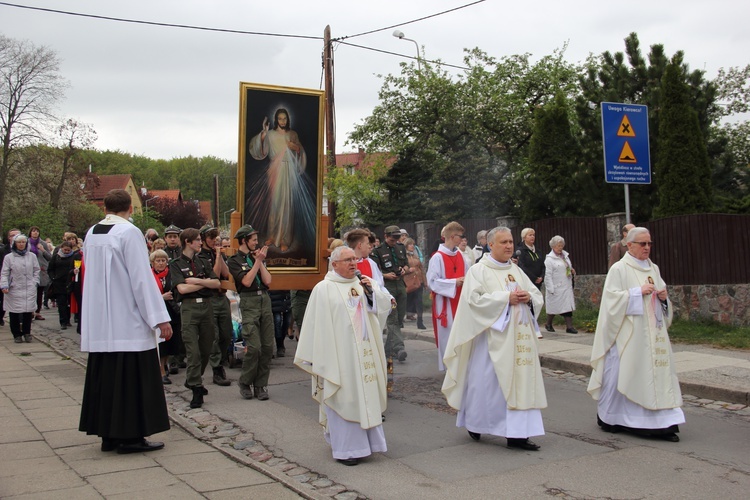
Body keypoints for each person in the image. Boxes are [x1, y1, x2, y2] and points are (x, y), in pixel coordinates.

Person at [79, 188, 173, 454]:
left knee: (107, 378)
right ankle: (131, 436)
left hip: (102, 321)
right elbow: (141, 279)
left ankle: (108, 435)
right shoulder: (129, 232)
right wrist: (159, 318)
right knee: (131, 380)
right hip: (127, 321)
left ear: (104, 208)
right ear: (130, 207)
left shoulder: (92, 232)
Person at [441, 226, 546, 451]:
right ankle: (476, 423)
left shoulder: (516, 271)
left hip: (519, 340)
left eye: (510, 241)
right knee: (488, 388)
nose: (509, 246)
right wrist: (505, 298)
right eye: (503, 242)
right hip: (491, 341)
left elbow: (535, 295)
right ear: (491, 245)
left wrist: (529, 298)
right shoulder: (479, 271)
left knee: (521, 384)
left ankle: (518, 434)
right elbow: (473, 302)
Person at [294, 246, 392, 466]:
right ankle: (347, 450)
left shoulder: (364, 282)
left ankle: (369, 445)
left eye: (354, 259)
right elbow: (315, 326)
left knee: (365, 396)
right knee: (344, 397)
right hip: (339, 356)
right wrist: (319, 357)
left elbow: (384, 307)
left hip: (364, 352)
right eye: (347, 260)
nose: (353, 263)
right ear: (334, 264)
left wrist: (372, 294)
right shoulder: (323, 289)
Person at [588, 227, 684, 441]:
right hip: (630, 334)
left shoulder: (654, 268)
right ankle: (615, 417)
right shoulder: (620, 269)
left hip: (654, 332)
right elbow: (611, 301)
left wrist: (663, 298)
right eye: (642, 244)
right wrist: (635, 293)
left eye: (649, 243)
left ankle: (663, 422)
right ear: (629, 245)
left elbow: (662, 301)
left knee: (657, 375)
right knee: (628, 373)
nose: (647, 248)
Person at [248, 108, 315, 252]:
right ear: (276, 120)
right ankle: (273, 235)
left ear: (287, 120)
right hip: (275, 170)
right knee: (275, 204)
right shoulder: (271, 135)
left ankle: (285, 239)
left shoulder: (292, 134)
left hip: (288, 170)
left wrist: (295, 147)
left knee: (287, 205)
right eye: (280, 119)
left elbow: (300, 152)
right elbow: (261, 151)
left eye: (285, 119)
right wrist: (264, 133)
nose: (282, 121)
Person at [170, 228, 222, 408]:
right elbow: (182, 289)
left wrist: (197, 281)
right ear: (187, 242)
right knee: (193, 352)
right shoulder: (176, 264)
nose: (201, 242)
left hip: (206, 307)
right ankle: (196, 388)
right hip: (189, 308)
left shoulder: (202, 261)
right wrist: (204, 283)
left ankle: (193, 379)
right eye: (198, 240)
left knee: (207, 347)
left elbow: (216, 283)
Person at [227, 224, 274, 401]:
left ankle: (261, 385)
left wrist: (259, 261)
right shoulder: (234, 260)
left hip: (264, 299)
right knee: (254, 347)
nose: (256, 242)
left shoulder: (257, 258)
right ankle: (245, 382)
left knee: (268, 347)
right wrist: (258, 262)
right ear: (244, 241)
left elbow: (268, 280)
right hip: (249, 301)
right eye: (253, 240)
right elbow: (246, 281)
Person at [427, 222, 469, 372]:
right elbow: (432, 282)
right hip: (444, 303)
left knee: (461, 333)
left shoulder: (461, 256)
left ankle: (461, 366)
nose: (462, 240)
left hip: (460, 300)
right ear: (452, 236)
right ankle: (449, 367)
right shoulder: (437, 258)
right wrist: (454, 282)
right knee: (448, 335)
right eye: (460, 237)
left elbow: (468, 275)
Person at [198, 224, 233, 387]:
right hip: (210, 298)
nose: (213, 241)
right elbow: (214, 275)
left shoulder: (217, 253)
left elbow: (225, 273)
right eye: (211, 238)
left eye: (215, 238)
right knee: (215, 336)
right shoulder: (200, 256)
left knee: (227, 334)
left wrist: (220, 256)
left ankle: (220, 359)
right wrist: (218, 256)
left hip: (222, 297)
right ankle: (217, 369)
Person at [371, 225, 410, 362]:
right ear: (386, 236)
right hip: (387, 288)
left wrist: (404, 269)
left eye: (396, 238)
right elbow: (375, 272)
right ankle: (399, 348)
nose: (395, 241)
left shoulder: (400, 247)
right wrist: (386, 275)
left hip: (400, 285)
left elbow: (406, 264)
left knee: (399, 318)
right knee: (392, 319)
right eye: (392, 239)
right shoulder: (377, 251)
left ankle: (387, 350)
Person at [150, 249, 182, 385]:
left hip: (172, 311)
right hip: (157, 312)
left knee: (170, 342)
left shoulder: (170, 274)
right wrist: (160, 297)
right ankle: (161, 370)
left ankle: (165, 365)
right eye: (158, 261)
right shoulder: (149, 276)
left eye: (163, 260)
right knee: (161, 343)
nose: (161, 263)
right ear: (152, 263)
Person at [1, 234, 40, 343]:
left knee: (28, 311)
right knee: (14, 312)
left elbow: (36, 270)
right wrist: (4, 285)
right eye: (19, 242)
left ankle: (27, 333)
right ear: (15, 244)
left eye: (23, 242)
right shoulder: (9, 257)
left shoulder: (32, 256)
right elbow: (4, 273)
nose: (21, 244)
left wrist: (35, 282)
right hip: (14, 288)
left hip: (29, 287)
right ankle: (16, 334)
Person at [544, 235, 577, 334]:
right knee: (554, 307)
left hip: (566, 286)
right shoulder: (549, 260)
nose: (560, 247)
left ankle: (569, 327)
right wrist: (550, 288)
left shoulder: (565, 256)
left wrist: (571, 270)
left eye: (562, 245)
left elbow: (566, 267)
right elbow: (547, 275)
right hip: (556, 286)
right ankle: (548, 324)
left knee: (567, 306)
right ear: (553, 246)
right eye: (558, 246)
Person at [47, 240, 77, 330]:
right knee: (61, 303)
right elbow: (50, 268)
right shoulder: (56, 257)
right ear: (61, 249)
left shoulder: (73, 257)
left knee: (68, 303)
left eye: (68, 250)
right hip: (58, 283)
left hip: (69, 282)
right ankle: (63, 321)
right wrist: (53, 277)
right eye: (65, 250)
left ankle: (67, 320)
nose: (66, 252)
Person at [28, 226, 52, 321]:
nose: (35, 233)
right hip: (30, 271)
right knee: (31, 293)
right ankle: (30, 312)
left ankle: (37, 312)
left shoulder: (43, 243)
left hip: (41, 271)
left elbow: (49, 257)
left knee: (39, 293)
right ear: (30, 233)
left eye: (37, 231)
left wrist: (43, 250)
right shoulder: (26, 243)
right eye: (33, 231)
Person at [404, 238, 427, 330]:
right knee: (406, 301)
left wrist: (425, 282)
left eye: (413, 244)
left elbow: (422, 269)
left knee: (419, 301)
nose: (412, 246)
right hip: (409, 282)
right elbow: (400, 268)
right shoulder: (404, 256)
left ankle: (420, 321)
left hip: (418, 281)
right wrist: (408, 270)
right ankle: (402, 317)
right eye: (410, 244)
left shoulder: (415, 256)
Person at [269, 290, 292, 357]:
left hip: (286, 298)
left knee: (287, 321)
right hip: (275, 298)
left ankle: (281, 343)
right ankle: (279, 346)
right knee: (277, 321)